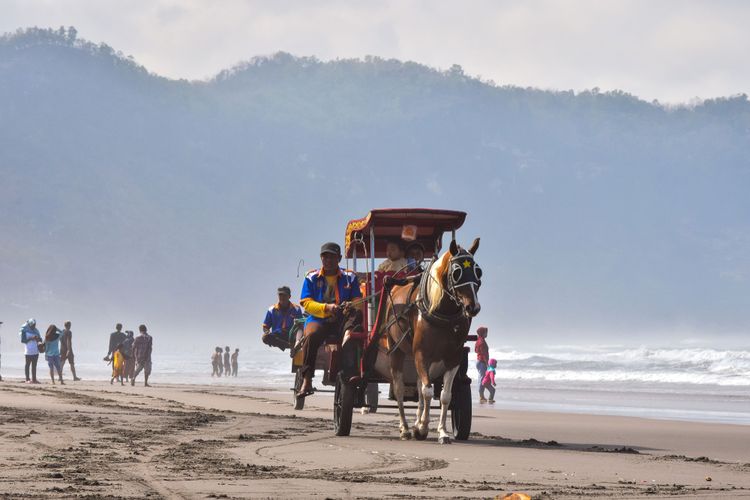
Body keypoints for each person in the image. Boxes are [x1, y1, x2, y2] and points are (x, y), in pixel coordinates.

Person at [297, 242, 363, 398]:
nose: (328, 260)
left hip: (342, 320)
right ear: (321, 258)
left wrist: (351, 305)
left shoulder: (350, 277)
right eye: (325, 257)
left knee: (353, 333)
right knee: (311, 336)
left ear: (339, 258)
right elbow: (306, 302)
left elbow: (358, 300)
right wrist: (326, 308)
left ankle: (352, 373)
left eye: (332, 257)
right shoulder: (311, 277)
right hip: (318, 319)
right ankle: (307, 380)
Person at [262, 286, 303, 351]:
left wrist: (298, 339)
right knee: (265, 337)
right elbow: (265, 326)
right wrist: (267, 332)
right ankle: (291, 346)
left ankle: (295, 345)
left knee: (303, 335)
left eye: (284, 295)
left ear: (289, 296)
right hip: (278, 336)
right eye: (280, 295)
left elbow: (301, 325)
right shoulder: (271, 309)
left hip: (291, 335)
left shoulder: (296, 309)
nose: (282, 297)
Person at [19, 319, 41, 384]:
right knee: (27, 365)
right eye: (33, 325)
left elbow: (40, 339)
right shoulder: (24, 331)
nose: (34, 326)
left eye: (35, 325)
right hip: (28, 351)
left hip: (36, 351)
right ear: (30, 324)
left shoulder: (36, 331)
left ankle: (34, 379)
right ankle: (27, 379)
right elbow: (23, 341)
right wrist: (31, 338)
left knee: (34, 366)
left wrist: (38, 339)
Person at [474, 326, 489, 402]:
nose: (487, 334)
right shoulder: (482, 342)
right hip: (482, 362)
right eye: (486, 332)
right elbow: (484, 354)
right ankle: (481, 396)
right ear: (482, 333)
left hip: (479, 361)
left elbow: (475, 351)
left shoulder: (478, 340)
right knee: (482, 379)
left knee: (481, 378)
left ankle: (481, 395)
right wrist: (487, 363)